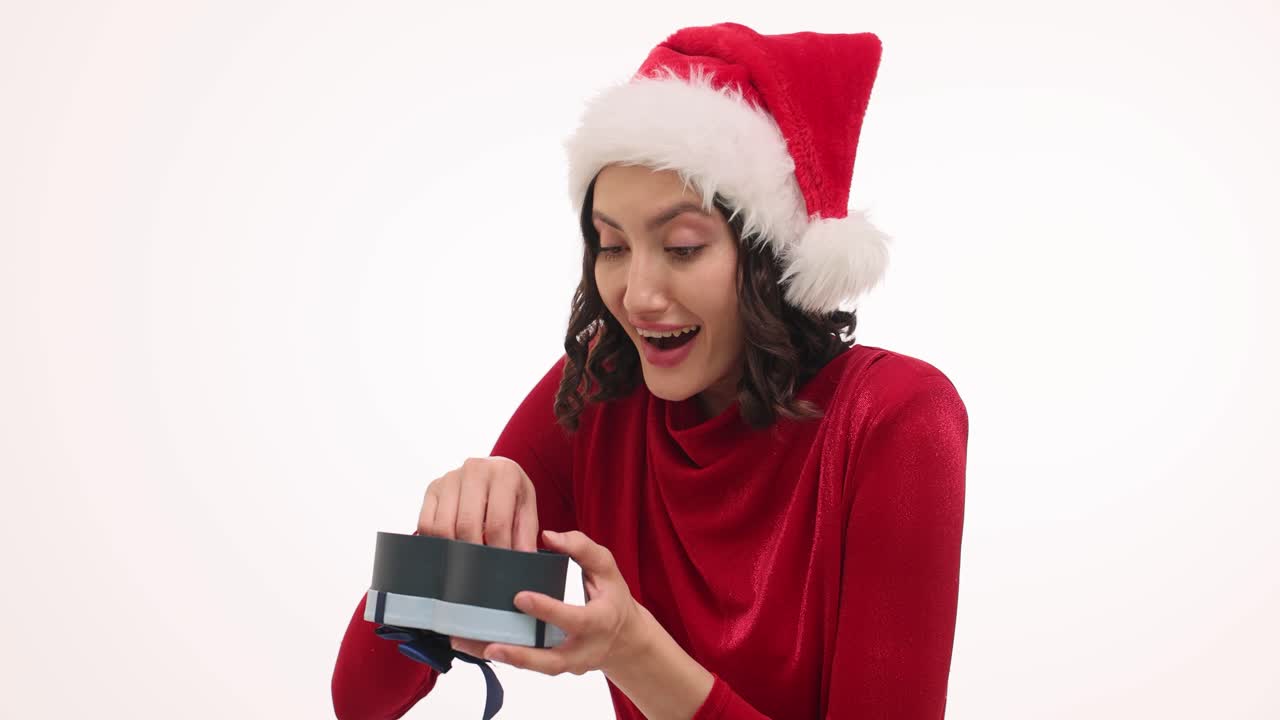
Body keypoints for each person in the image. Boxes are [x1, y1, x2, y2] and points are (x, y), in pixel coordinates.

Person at [331, 21, 968, 720]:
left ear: (770, 255)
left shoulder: (898, 418)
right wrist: (451, 534)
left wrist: (633, 651)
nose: (636, 296)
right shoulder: (600, 389)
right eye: (611, 245)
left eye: (683, 247)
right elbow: (360, 700)